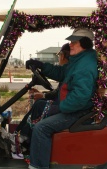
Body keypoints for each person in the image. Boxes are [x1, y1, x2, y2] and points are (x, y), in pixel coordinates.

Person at [25, 28, 98, 169]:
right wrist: (41, 65)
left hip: (78, 111)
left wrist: (61, 107)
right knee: (40, 104)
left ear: (84, 44)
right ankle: (25, 142)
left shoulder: (85, 66)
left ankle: (37, 166)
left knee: (41, 127)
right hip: (73, 106)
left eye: (74, 42)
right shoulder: (79, 60)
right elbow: (61, 72)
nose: (70, 44)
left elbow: (81, 97)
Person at [3, 43, 70, 159]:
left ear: (63, 56)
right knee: (39, 104)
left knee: (39, 106)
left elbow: (59, 82)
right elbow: (59, 91)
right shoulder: (70, 70)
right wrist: (44, 95)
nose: (59, 57)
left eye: (59, 55)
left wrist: (44, 96)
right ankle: (18, 137)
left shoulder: (70, 70)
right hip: (65, 104)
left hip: (67, 108)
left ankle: (21, 139)